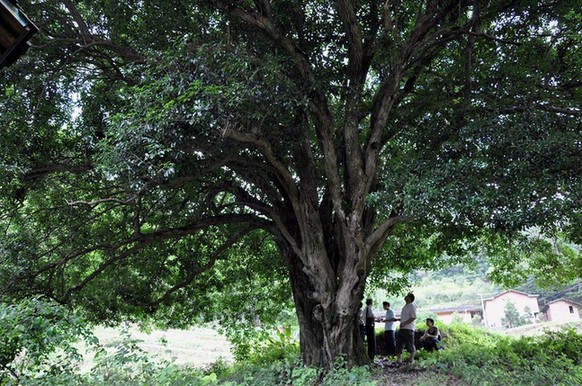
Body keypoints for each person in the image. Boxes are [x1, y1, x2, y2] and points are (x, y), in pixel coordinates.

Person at [395, 292, 417, 364]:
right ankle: (399, 359)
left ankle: (411, 359)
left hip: (409, 329)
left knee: (410, 344)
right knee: (399, 344)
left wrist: (404, 323)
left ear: (410, 298)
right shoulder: (405, 306)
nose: (405, 296)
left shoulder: (411, 306)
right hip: (402, 328)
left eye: (407, 296)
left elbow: (413, 317)